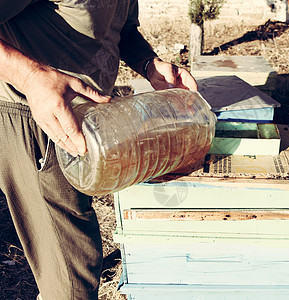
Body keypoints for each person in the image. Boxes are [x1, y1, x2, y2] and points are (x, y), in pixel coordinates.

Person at [0, 1, 198, 299]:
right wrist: (30, 78)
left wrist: (149, 64)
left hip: (87, 121)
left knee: (76, 251)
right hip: (34, 115)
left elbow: (120, 30)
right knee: (71, 275)